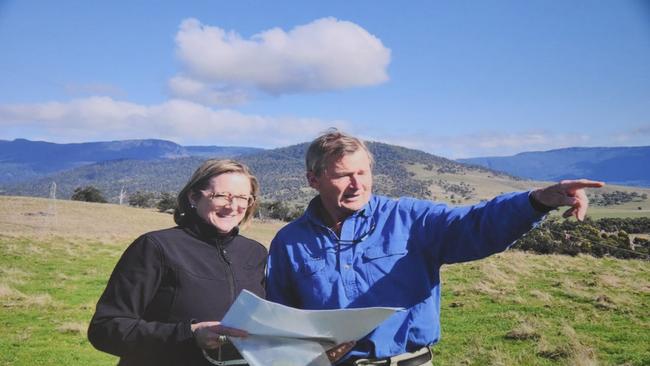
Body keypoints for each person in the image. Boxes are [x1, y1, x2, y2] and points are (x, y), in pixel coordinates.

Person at [266, 129, 605, 366]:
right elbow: (282, 322)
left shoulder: (410, 218)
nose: (357, 185)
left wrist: (537, 202)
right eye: (343, 176)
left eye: (363, 172)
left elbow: (476, 224)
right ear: (314, 180)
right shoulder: (289, 242)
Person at [88, 159, 266, 366]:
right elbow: (105, 329)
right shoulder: (155, 247)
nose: (233, 206)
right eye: (221, 196)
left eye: (243, 197)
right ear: (193, 196)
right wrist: (189, 335)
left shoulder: (255, 253)